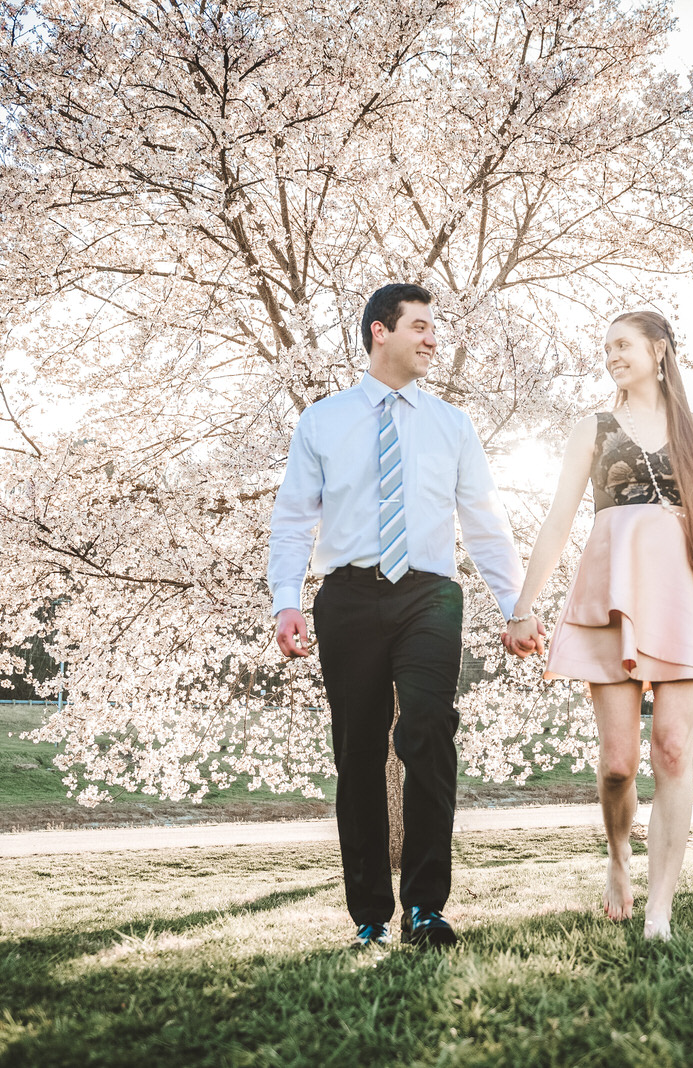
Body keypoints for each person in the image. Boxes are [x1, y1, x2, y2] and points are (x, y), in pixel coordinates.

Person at [268, 283, 525, 950]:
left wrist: (517, 606)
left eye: (433, 327)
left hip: (430, 596)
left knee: (430, 733)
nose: (432, 338)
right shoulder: (322, 422)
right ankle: (369, 916)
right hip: (348, 599)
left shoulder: (453, 424)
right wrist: (287, 601)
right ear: (380, 332)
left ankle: (425, 909)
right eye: (420, 326)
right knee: (357, 753)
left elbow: (486, 523)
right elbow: (294, 520)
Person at [502, 310, 693, 941]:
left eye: (623, 345)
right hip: (611, 596)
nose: (611, 355)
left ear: (660, 350)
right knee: (618, 762)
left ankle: (660, 909)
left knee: (671, 748)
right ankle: (618, 859)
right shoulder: (595, 427)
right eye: (606, 347)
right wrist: (524, 604)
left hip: (687, 599)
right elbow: (557, 521)